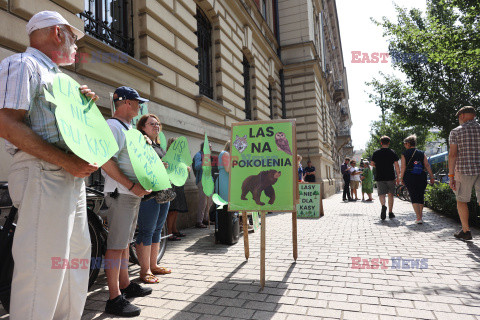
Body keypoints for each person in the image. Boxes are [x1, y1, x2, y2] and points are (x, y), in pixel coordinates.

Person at [0, 11, 99, 319]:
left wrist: (83, 110)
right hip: (44, 172)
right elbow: (5, 122)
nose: (76, 48)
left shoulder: (62, 80)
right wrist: (67, 161)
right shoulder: (22, 64)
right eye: (73, 39)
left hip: (67, 175)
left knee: (74, 262)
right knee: (43, 266)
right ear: (58, 33)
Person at [101, 86, 152, 317]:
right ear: (126, 103)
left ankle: (124, 284)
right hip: (121, 193)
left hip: (130, 193)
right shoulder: (113, 127)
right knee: (115, 246)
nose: (140, 106)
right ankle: (114, 298)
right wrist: (131, 186)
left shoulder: (126, 128)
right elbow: (106, 162)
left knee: (124, 243)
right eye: (137, 102)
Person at [135, 114, 172, 283]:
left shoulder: (158, 145)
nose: (156, 126)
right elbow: (139, 165)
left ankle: (154, 265)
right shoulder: (141, 143)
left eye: (157, 123)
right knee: (146, 231)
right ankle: (145, 270)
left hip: (163, 192)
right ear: (143, 127)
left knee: (157, 230)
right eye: (152, 124)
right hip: (149, 194)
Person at [448, 106, 480, 240]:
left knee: (461, 200)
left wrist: (451, 176)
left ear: (462, 116)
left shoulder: (456, 131)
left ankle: (466, 231)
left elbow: (453, 155)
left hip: (464, 170)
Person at [400, 135, 435, 224]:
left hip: (409, 175)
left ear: (408, 144)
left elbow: (403, 167)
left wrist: (401, 178)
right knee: (420, 195)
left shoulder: (404, 154)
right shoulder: (422, 153)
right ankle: (420, 216)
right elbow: (427, 165)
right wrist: (431, 176)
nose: (404, 145)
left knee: (413, 195)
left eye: (405, 143)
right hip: (421, 175)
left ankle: (418, 217)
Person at [371, 136, 401, 220]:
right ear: (388, 143)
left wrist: (377, 165)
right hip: (390, 176)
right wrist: (398, 177)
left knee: (381, 194)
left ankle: (383, 206)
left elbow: (372, 163)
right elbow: (396, 165)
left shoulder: (376, 152)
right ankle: (390, 212)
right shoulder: (392, 152)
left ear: (381, 143)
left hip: (380, 176)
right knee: (391, 194)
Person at [166, 137, 190, 240]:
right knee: (172, 210)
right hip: (171, 185)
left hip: (179, 184)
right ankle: (169, 233)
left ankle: (174, 229)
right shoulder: (168, 156)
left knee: (176, 210)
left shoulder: (179, 156)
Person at [193, 142, 213, 228]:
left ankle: (206, 219)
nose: (211, 149)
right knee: (203, 202)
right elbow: (197, 166)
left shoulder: (208, 156)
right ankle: (199, 221)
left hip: (209, 180)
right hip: (202, 180)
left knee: (210, 201)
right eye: (210, 147)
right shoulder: (198, 155)